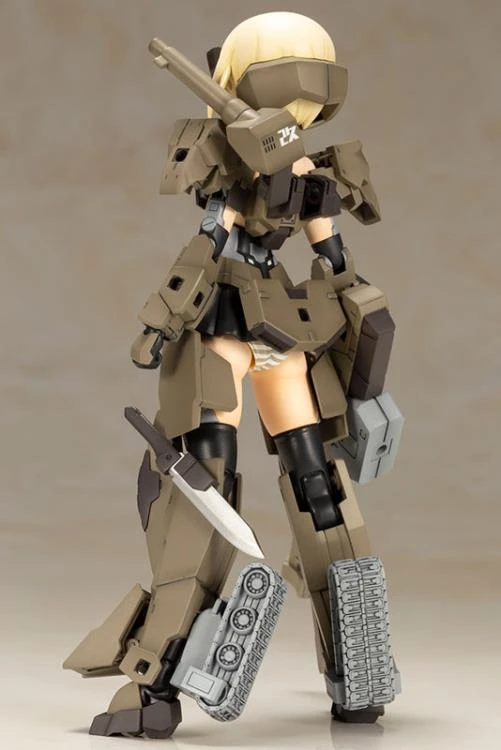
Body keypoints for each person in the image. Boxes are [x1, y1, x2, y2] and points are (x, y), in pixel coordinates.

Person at [64, 12, 403, 738]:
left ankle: (357, 669)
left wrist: (354, 306)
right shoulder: (229, 154)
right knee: (208, 489)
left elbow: (330, 250)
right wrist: (163, 320)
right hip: (227, 321)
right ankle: (162, 679)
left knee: (316, 486)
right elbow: (210, 241)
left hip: (277, 325)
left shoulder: (309, 166)